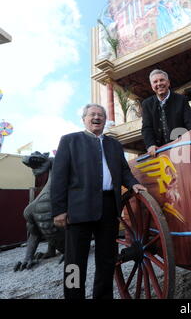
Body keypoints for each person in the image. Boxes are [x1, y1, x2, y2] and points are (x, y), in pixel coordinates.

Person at [51, 104, 146, 299]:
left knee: (107, 260)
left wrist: (134, 185)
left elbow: (124, 171)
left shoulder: (114, 145)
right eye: (92, 114)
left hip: (109, 206)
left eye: (100, 115)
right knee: (74, 263)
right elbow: (59, 177)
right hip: (79, 208)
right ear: (84, 118)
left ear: (105, 120)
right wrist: (59, 209)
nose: (97, 117)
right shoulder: (70, 141)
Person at [141, 69, 191, 157]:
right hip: (160, 152)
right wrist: (150, 145)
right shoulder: (146, 104)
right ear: (152, 86)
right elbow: (146, 128)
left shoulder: (182, 99)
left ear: (168, 83)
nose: (159, 84)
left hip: (181, 149)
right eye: (155, 82)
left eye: (161, 80)